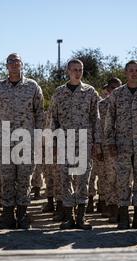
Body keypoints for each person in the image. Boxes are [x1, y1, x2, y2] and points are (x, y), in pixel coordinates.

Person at [0, 53, 44, 230]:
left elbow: (40, 113)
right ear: (6, 66)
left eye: (17, 61)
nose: (14, 64)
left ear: (22, 64)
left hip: (26, 140)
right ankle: (7, 214)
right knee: (6, 178)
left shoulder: (32, 86)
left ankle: (22, 214)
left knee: (24, 178)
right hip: (5, 141)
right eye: (11, 62)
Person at [49, 58, 102, 230]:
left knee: (83, 179)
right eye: (74, 69)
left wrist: (96, 142)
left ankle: (81, 218)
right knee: (65, 179)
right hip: (65, 141)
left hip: (85, 141)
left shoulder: (90, 92)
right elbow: (54, 119)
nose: (77, 72)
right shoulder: (59, 92)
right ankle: (69, 218)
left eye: (80, 69)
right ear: (68, 71)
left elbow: (96, 119)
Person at [105, 61, 137, 230]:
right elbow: (109, 120)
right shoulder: (117, 94)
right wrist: (110, 142)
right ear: (125, 72)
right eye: (131, 70)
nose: (134, 73)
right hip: (122, 145)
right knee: (122, 180)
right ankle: (123, 218)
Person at [95, 77, 122, 222]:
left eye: (117, 87)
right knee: (108, 178)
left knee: (124, 178)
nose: (115, 90)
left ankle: (122, 208)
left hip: (124, 146)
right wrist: (98, 147)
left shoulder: (126, 102)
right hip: (106, 148)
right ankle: (111, 208)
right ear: (107, 90)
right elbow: (97, 127)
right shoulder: (101, 105)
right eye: (112, 88)